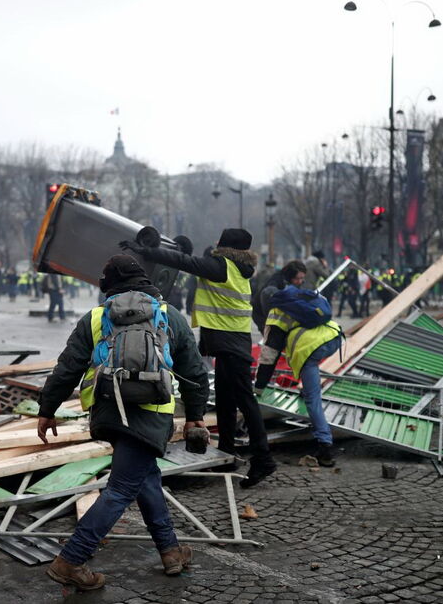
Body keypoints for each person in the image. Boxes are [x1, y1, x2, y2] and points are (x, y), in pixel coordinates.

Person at [37, 255, 209, 590]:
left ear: (107, 285)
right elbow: (194, 371)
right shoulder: (167, 315)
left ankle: (171, 551)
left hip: (109, 411)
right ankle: (71, 559)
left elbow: (67, 366)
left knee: (145, 478)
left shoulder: (97, 317)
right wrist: (195, 416)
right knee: (121, 488)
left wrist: (47, 407)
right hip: (151, 413)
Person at [121, 229, 277, 488]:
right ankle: (227, 454)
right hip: (231, 341)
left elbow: (186, 263)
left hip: (230, 343)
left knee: (245, 401)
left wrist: (145, 251)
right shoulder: (238, 268)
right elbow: (191, 260)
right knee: (227, 400)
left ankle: (263, 458)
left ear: (224, 246)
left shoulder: (222, 266)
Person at [254, 279, 343, 467]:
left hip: (310, 348)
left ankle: (325, 446)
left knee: (313, 398)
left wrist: (259, 387)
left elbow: (269, 356)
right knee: (310, 383)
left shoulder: (275, 314)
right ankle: (308, 388)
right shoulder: (296, 295)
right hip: (334, 337)